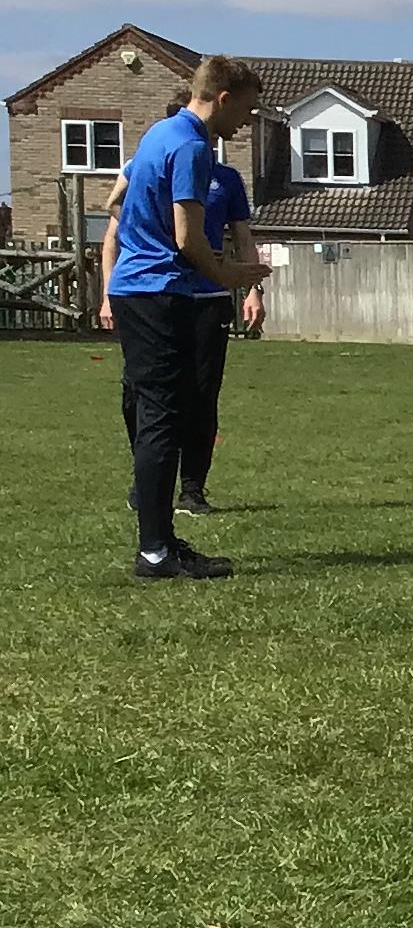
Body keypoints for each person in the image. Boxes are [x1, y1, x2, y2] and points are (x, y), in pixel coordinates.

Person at [108, 57, 270, 581]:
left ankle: (161, 541)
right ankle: (155, 551)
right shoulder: (193, 147)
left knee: (159, 414)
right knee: (163, 419)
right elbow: (187, 237)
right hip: (159, 293)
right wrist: (229, 275)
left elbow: (120, 203)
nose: (246, 121)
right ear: (223, 99)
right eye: (246, 109)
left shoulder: (160, 133)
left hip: (137, 290)